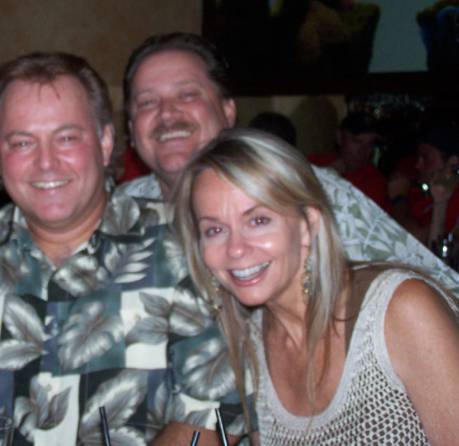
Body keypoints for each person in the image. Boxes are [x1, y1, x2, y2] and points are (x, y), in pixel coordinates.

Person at [116, 32, 459, 441]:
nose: (167, 114)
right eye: (147, 102)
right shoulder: (117, 221)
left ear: (228, 110)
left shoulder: (329, 200)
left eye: (187, 94)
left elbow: (442, 298)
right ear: (130, 129)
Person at [0, 52, 240, 446]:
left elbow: (211, 415)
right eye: (22, 142)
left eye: (66, 138)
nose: (45, 162)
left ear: (105, 142)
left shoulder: (186, 248)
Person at [174, 128, 459, 445]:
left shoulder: (397, 311)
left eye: (258, 220)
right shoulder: (249, 348)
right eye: (214, 230)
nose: (236, 249)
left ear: (308, 225)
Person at [389, 127, 459, 248]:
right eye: (418, 158)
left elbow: (416, 241)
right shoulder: (417, 189)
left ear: (453, 163)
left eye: (426, 159)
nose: (418, 165)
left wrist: (399, 199)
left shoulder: (454, 197)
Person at [307, 112, 388, 211]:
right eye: (357, 141)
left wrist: (329, 178)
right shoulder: (315, 162)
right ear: (340, 137)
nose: (363, 151)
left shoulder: (375, 181)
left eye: (370, 144)